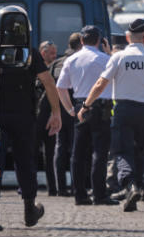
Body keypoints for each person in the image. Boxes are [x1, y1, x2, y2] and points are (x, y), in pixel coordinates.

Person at [78, 18, 144, 212]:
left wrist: (86, 105)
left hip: (124, 110)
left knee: (122, 151)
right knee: (140, 152)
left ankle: (130, 185)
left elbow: (101, 84)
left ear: (127, 37)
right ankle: (137, 188)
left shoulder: (119, 57)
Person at [0, 6, 62, 227]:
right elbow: (49, 83)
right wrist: (56, 112)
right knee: (26, 163)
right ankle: (29, 210)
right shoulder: (31, 54)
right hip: (24, 117)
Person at [55, 26, 117, 206]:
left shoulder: (71, 60)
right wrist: (108, 52)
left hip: (80, 104)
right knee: (100, 152)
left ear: (81, 41)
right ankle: (99, 194)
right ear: (99, 40)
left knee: (78, 152)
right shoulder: (106, 59)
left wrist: (69, 109)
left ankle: (80, 194)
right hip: (102, 106)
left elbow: (61, 87)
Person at [53, 32, 83, 196]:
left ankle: (60, 187)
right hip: (75, 108)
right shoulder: (79, 61)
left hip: (58, 108)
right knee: (75, 148)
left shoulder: (57, 62)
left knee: (60, 147)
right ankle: (75, 185)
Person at [37, 41, 59, 196]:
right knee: (31, 153)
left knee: (50, 155)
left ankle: (52, 188)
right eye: (51, 53)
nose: (55, 56)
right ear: (43, 53)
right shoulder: (35, 69)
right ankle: (27, 187)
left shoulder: (54, 69)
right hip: (37, 118)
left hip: (49, 117)